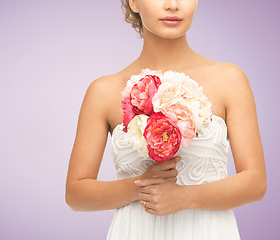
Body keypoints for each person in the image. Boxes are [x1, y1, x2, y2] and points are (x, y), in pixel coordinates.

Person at [65, 0, 267, 239]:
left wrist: (185, 197)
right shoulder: (103, 91)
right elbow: (76, 194)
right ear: (134, 3)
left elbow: (255, 182)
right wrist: (140, 186)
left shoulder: (230, 79)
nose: (173, 5)